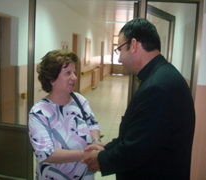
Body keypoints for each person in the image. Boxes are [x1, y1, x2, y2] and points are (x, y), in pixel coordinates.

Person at [82, 18, 195, 180]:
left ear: (133, 45)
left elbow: (137, 149)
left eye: (119, 49)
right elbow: (141, 132)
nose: (119, 59)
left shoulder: (158, 87)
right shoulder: (162, 75)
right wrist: (108, 147)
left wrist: (100, 159)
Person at [28, 49, 102, 180]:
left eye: (74, 72)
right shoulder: (39, 112)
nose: (74, 77)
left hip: (85, 174)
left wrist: (96, 142)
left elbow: (92, 124)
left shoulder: (79, 100)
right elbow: (46, 154)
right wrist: (85, 154)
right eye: (68, 73)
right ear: (52, 79)